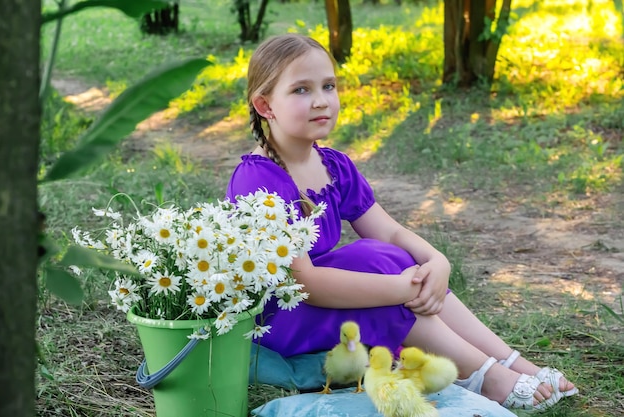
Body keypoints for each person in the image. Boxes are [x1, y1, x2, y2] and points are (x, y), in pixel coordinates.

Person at [226, 33, 578, 411]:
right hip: (282, 319)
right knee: (381, 267)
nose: (321, 100)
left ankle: (512, 363)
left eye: (328, 86)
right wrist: (400, 289)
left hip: (320, 305)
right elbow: (306, 283)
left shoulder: (333, 165)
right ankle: (483, 376)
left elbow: (390, 231)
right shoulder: (258, 181)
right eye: (300, 90)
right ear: (265, 105)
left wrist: (437, 262)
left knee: (384, 254)